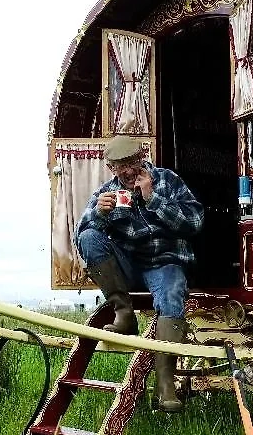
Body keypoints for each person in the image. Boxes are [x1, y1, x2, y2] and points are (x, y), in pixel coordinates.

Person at [75, 135, 204, 412]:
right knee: (89, 237)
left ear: (142, 156)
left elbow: (195, 221)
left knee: (171, 293)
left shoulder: (167, 180)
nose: (128, 171)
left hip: (165, 262)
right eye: (120, 166)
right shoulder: (106, 193)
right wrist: (99, 214)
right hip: (129, 267)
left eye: (132, 163)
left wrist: (153, 199)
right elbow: (81, 236)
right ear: (111, 168)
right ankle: (124, 314)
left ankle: (165, 385)